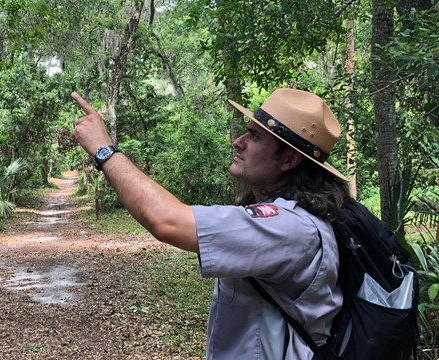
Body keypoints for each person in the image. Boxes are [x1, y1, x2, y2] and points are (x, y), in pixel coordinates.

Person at [71, 88, 349, 360]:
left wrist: (103, 149)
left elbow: (167, 221)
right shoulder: (287, 217)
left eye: (254, 136)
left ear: (289, 159)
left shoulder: (288, 227)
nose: (238, 142)